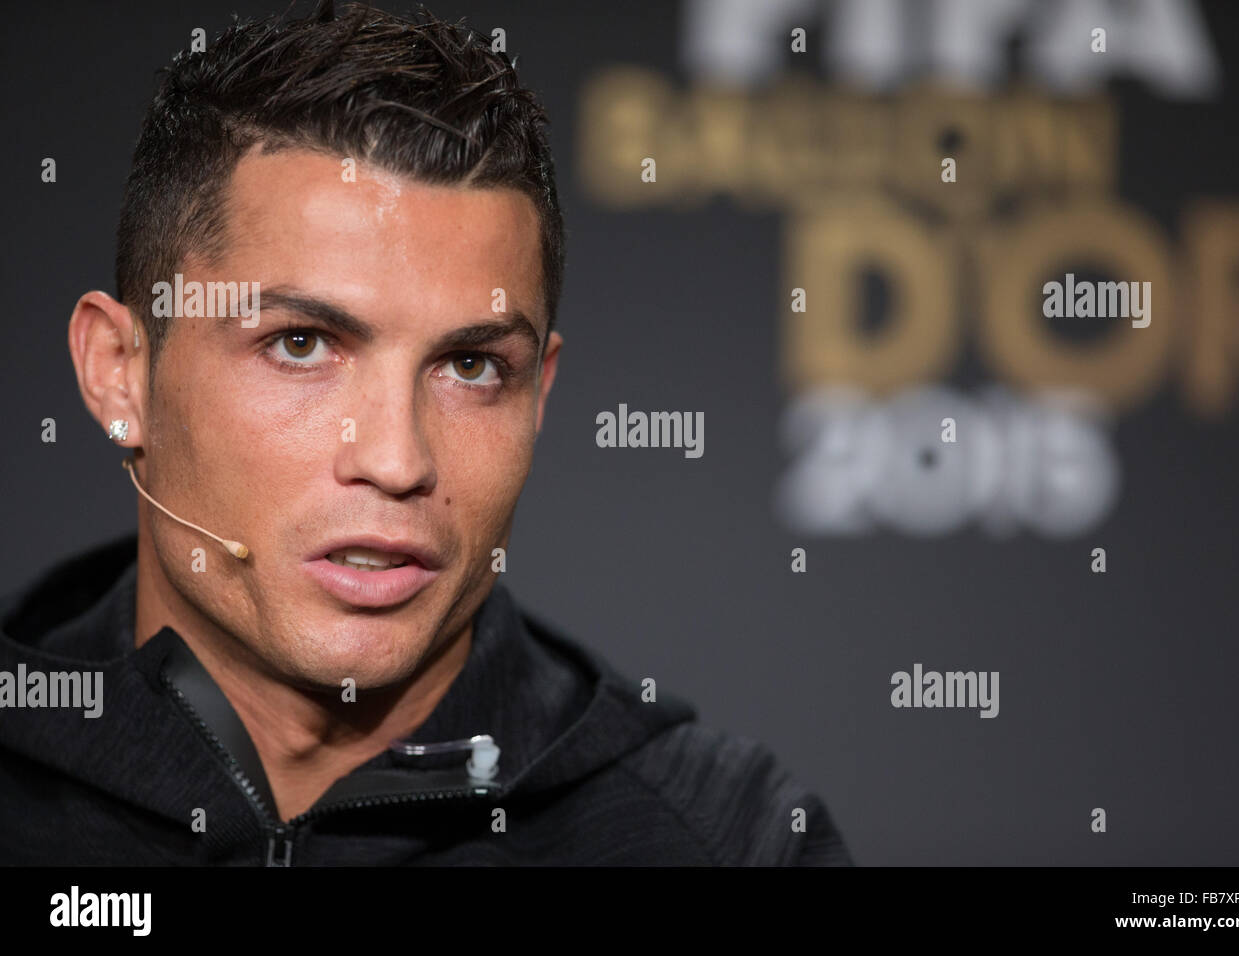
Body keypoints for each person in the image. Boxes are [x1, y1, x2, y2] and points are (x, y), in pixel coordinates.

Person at [0, 0, 852, 865]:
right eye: (301, 345)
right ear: (119, 372)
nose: (397, 460)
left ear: (540, 394)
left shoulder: (726, 843)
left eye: (472, 367)